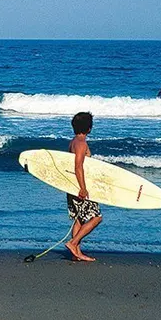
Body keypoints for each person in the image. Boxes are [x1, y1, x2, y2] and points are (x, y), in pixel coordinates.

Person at [64, 112, 102, 262]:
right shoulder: (81, 144)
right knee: (97, 217)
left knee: (79, 218)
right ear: (89, 128)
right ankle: (73, 243)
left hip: (72, 186)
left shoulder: (73, 142)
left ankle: (76, 252)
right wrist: (83, 188)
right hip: (79, 187)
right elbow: (78, 167)